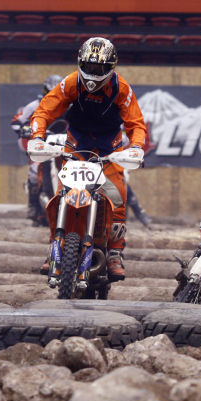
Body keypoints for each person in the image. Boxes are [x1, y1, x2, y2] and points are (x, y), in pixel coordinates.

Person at [28, 37, 148, 280]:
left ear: (110, 68)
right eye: (89, 67)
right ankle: (55, 246)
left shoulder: (121, 88)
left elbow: (136, 123)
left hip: (109, 147)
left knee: (117, 196)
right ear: (80, 63)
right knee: (63, 194)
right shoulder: (71, 82)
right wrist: (38, 136)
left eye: (99, 69)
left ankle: (115, 252)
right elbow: (44, 111)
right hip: (77, 142)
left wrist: (135, 147)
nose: (93, 74)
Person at [11, 74, 63, 227]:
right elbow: (16, 121)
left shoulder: (70, 106)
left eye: (57, 94)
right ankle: (33, 206)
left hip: (64, 145)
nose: (54, 97)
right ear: (45, 91)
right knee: (34, 172)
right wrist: (24, 129)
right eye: (50, 93)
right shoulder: (35, 105)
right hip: (42, 143)